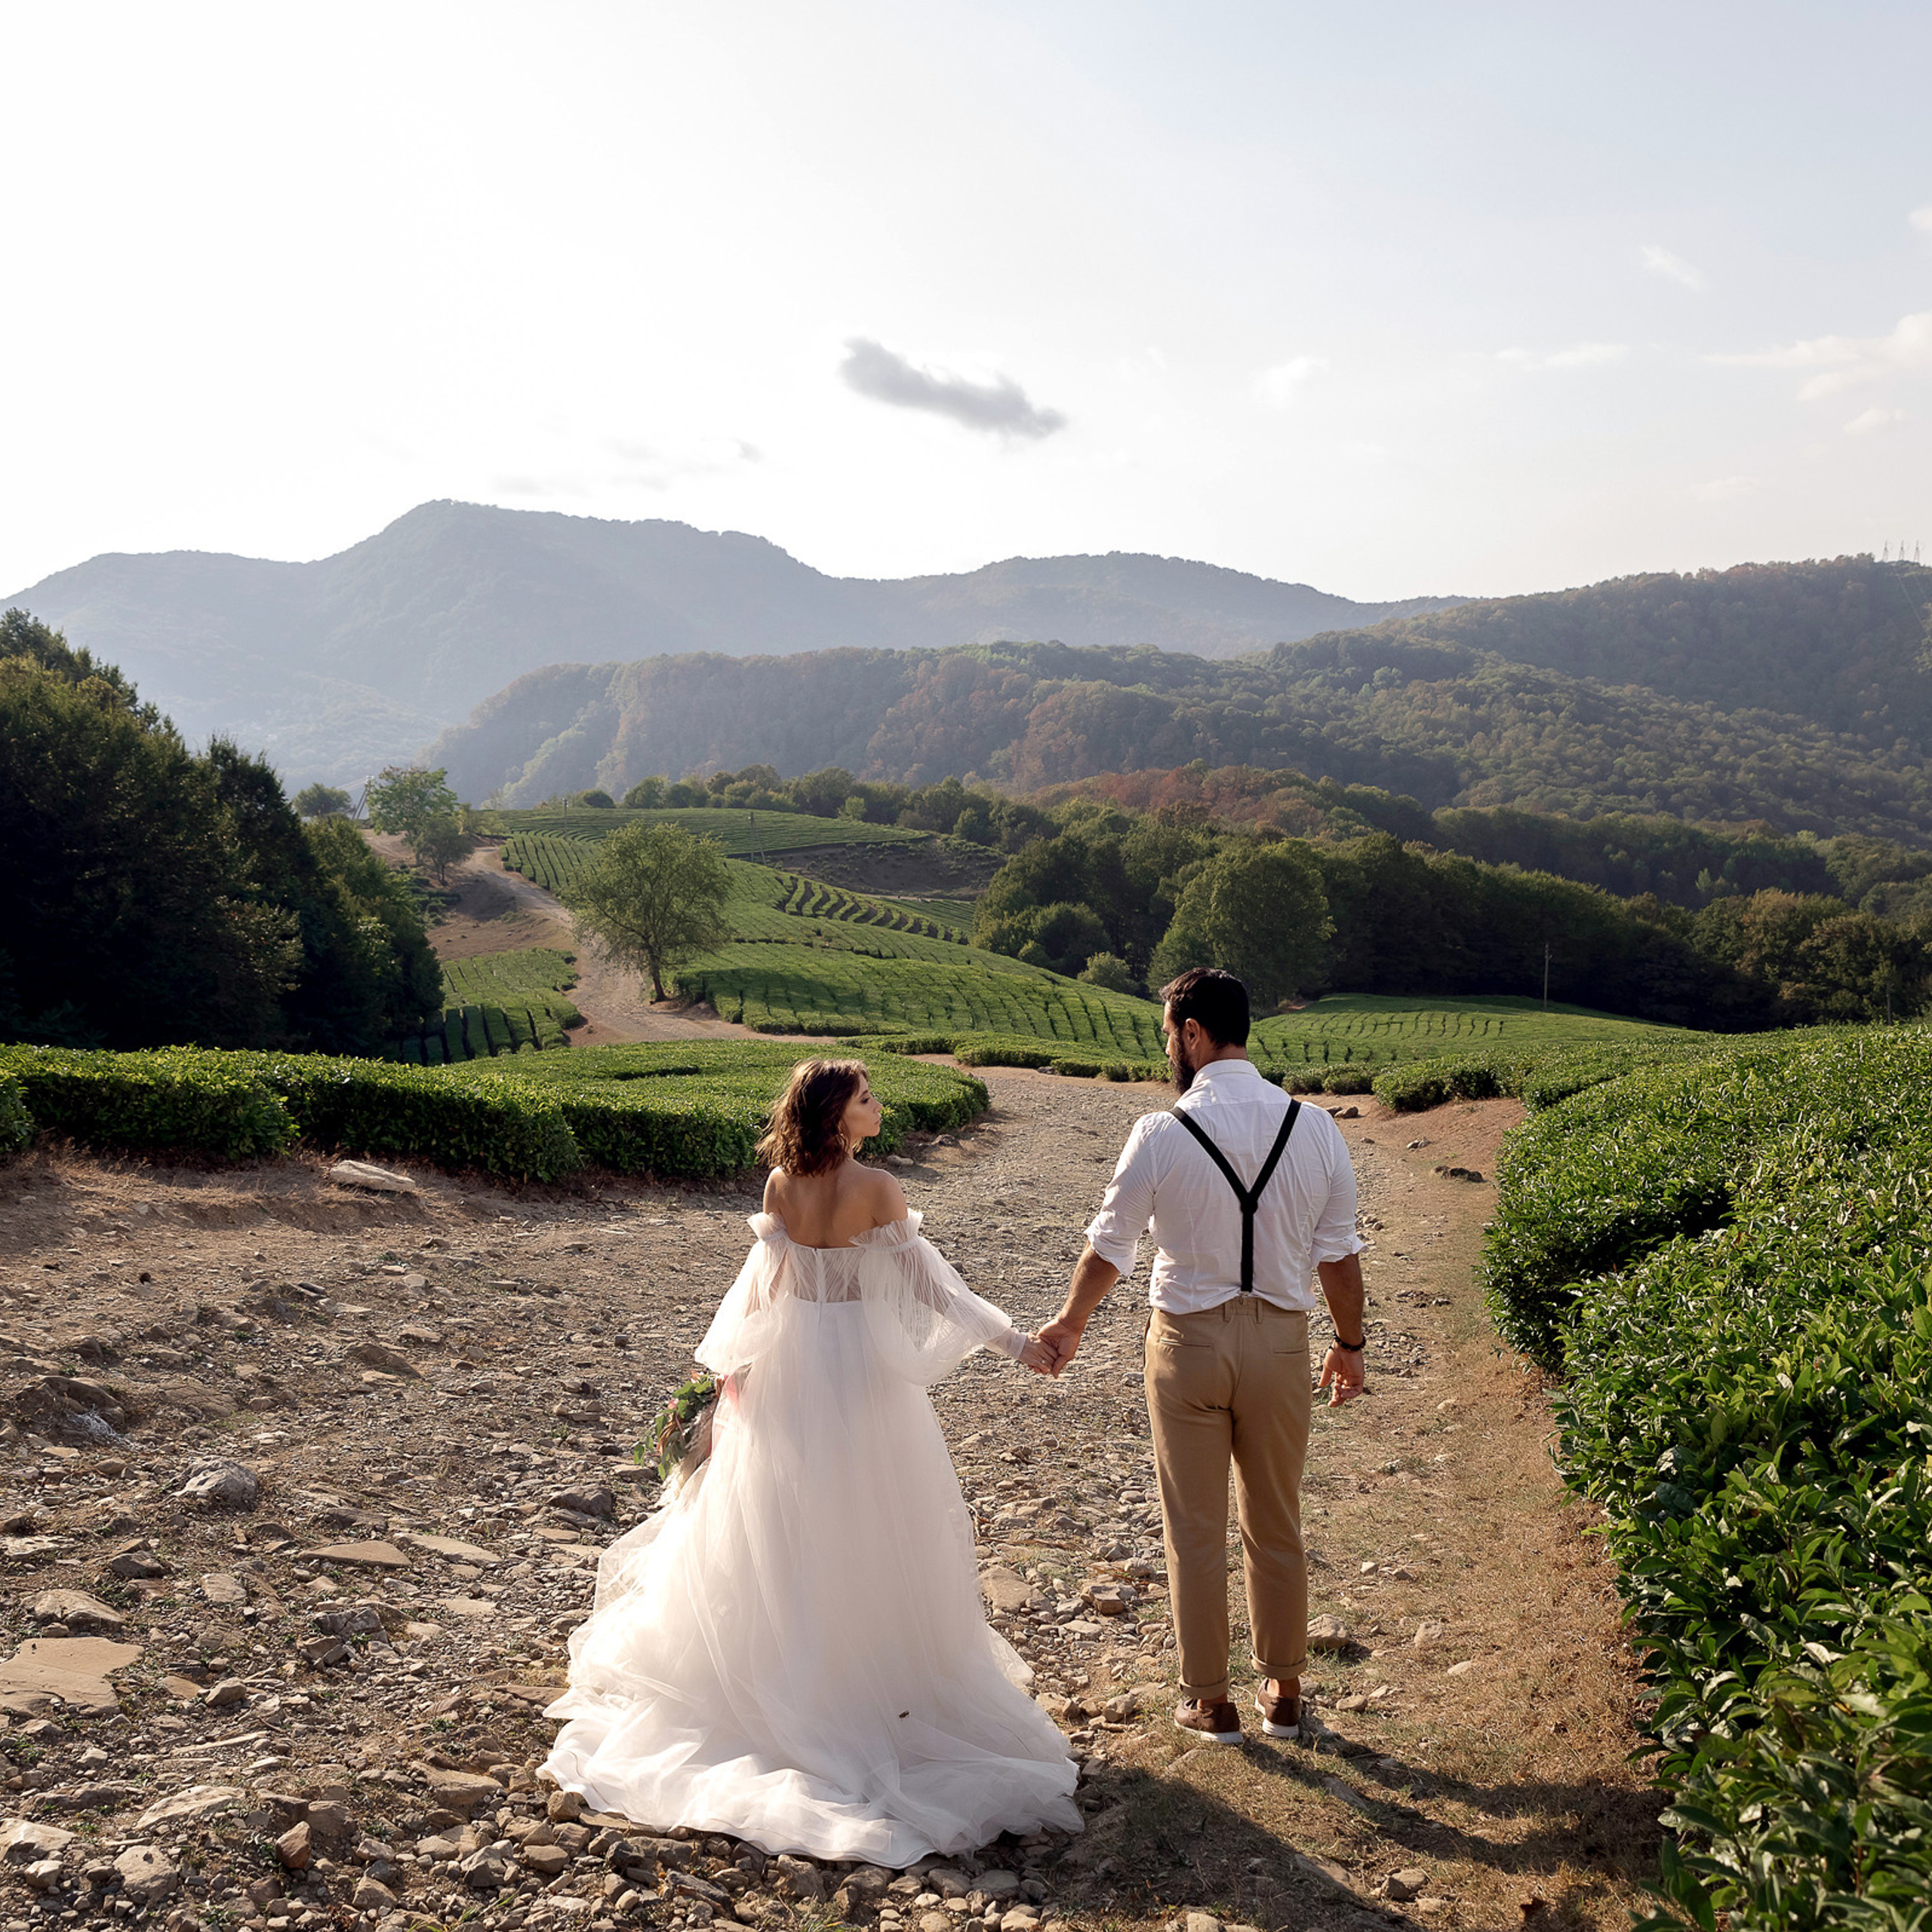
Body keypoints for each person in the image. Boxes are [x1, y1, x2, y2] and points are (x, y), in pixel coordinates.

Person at [543, 1059, 1081, 1865]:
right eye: (866, 1098)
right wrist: (1017, 1345)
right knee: (870, 1521)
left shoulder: (778, 1186)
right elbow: (935, 1288)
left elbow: (760, 1296)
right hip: (859, 1376)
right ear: (837, 1114)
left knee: (781, 1523)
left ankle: (787, 1680)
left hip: (789, 1369)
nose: (878, 1106)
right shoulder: (879, 1189)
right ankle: (868, 1685)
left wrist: (721, 1383)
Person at [1035, 968, 1367, 1746]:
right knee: (1276, 1520)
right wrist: (1349, 1346)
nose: (1167, 1049)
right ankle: (1283, 1693)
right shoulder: (1314, 1127)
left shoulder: (1160, 1133)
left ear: (1191, 1032)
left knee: (1194, 1527)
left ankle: (1210, 1702)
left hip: (1185, 1342)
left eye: (1168, 1034)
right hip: (1282, 1340)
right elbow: (1339, 1259)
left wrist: (1070, 1323)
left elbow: (1108, 1248)